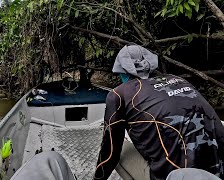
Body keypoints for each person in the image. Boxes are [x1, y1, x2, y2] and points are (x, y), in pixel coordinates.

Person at [94, 45, 224, 180]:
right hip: (217, 173)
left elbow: (109, 154)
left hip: (174, 177)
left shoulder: (119, 94)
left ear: (122, 70)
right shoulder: (179, 80)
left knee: (121, 149)